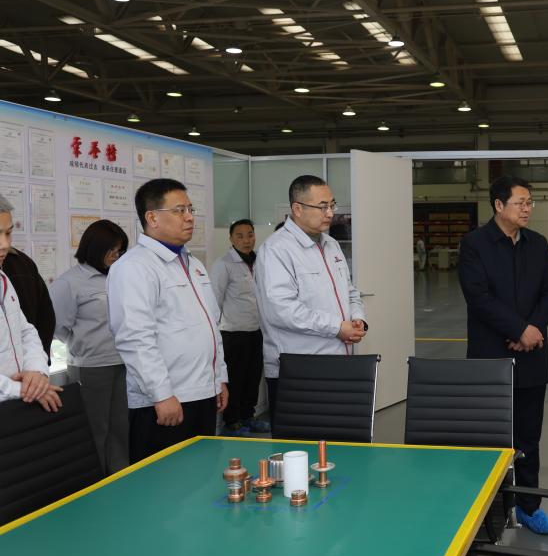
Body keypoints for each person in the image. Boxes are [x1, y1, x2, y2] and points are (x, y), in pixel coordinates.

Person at [458, 176, 548, 534]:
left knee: (529, 436)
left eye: (530, 202)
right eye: (520, 202)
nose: (527, 208)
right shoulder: (474, 245)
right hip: (491, 358)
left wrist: (533, 329)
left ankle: (529, 507)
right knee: (491, 438)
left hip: (532, 356)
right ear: (498, 205)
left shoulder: (538, 243)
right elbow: (478, 297)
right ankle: (490, 509)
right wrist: (519, 330)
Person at [108, 179, 228, 463]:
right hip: (165, 401)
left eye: (190, 209)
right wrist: (161, 395)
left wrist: (219, 378)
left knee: (202, 473)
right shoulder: (134, 267)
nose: (189, 217)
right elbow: (135, 339)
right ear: (152, 218)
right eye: (179, 210)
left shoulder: (193, 264)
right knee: (165, 482)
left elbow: (211, 327)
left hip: (201, 392)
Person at [255, 175, 366, 423]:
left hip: (339, 363)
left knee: (339, 437)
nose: (330, 213)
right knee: (302, 441)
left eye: (332, 205)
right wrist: (337, 327)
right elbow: (281, 310)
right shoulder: (276, 250)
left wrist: (358, 319)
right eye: (322, 206)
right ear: (297, 209)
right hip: (298, 370)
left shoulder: (331, 245)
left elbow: (349, 291)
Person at [50, 220, 130, 474]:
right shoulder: (70, 282)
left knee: (120, 427)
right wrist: (84, 343)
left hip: (122, 362)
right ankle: (95, 481)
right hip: (91, 367)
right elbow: (58, 326)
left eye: (120, 250)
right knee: (96, 428)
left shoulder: (118, 276)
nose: (116, 256)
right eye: (111, 250)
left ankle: (120, 476)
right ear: (94, 248)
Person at [0, 195, 61, 412]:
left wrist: (36, 370)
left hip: (16, 405)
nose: (5, 245)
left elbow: (25, 331)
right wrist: (25, 389)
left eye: (8, 233)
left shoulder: (3, 278)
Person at [211, 218, 268, 436]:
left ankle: (248, 416)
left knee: (253, 378)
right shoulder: (223, 264)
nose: (246, 240)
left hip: (256, 330)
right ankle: (232, 421)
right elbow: (215, 301)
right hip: (233, 333)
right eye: (240, 236)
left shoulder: (259, 261)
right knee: (235, 379)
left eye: (250, 235)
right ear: (231, 238)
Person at [2, 246, 56, 357]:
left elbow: (46, 318)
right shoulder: (23, 261)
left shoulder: (22, 262)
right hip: (29, 359)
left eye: (7, 236)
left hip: (28, 359)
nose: (4, 244)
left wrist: (39, 361)